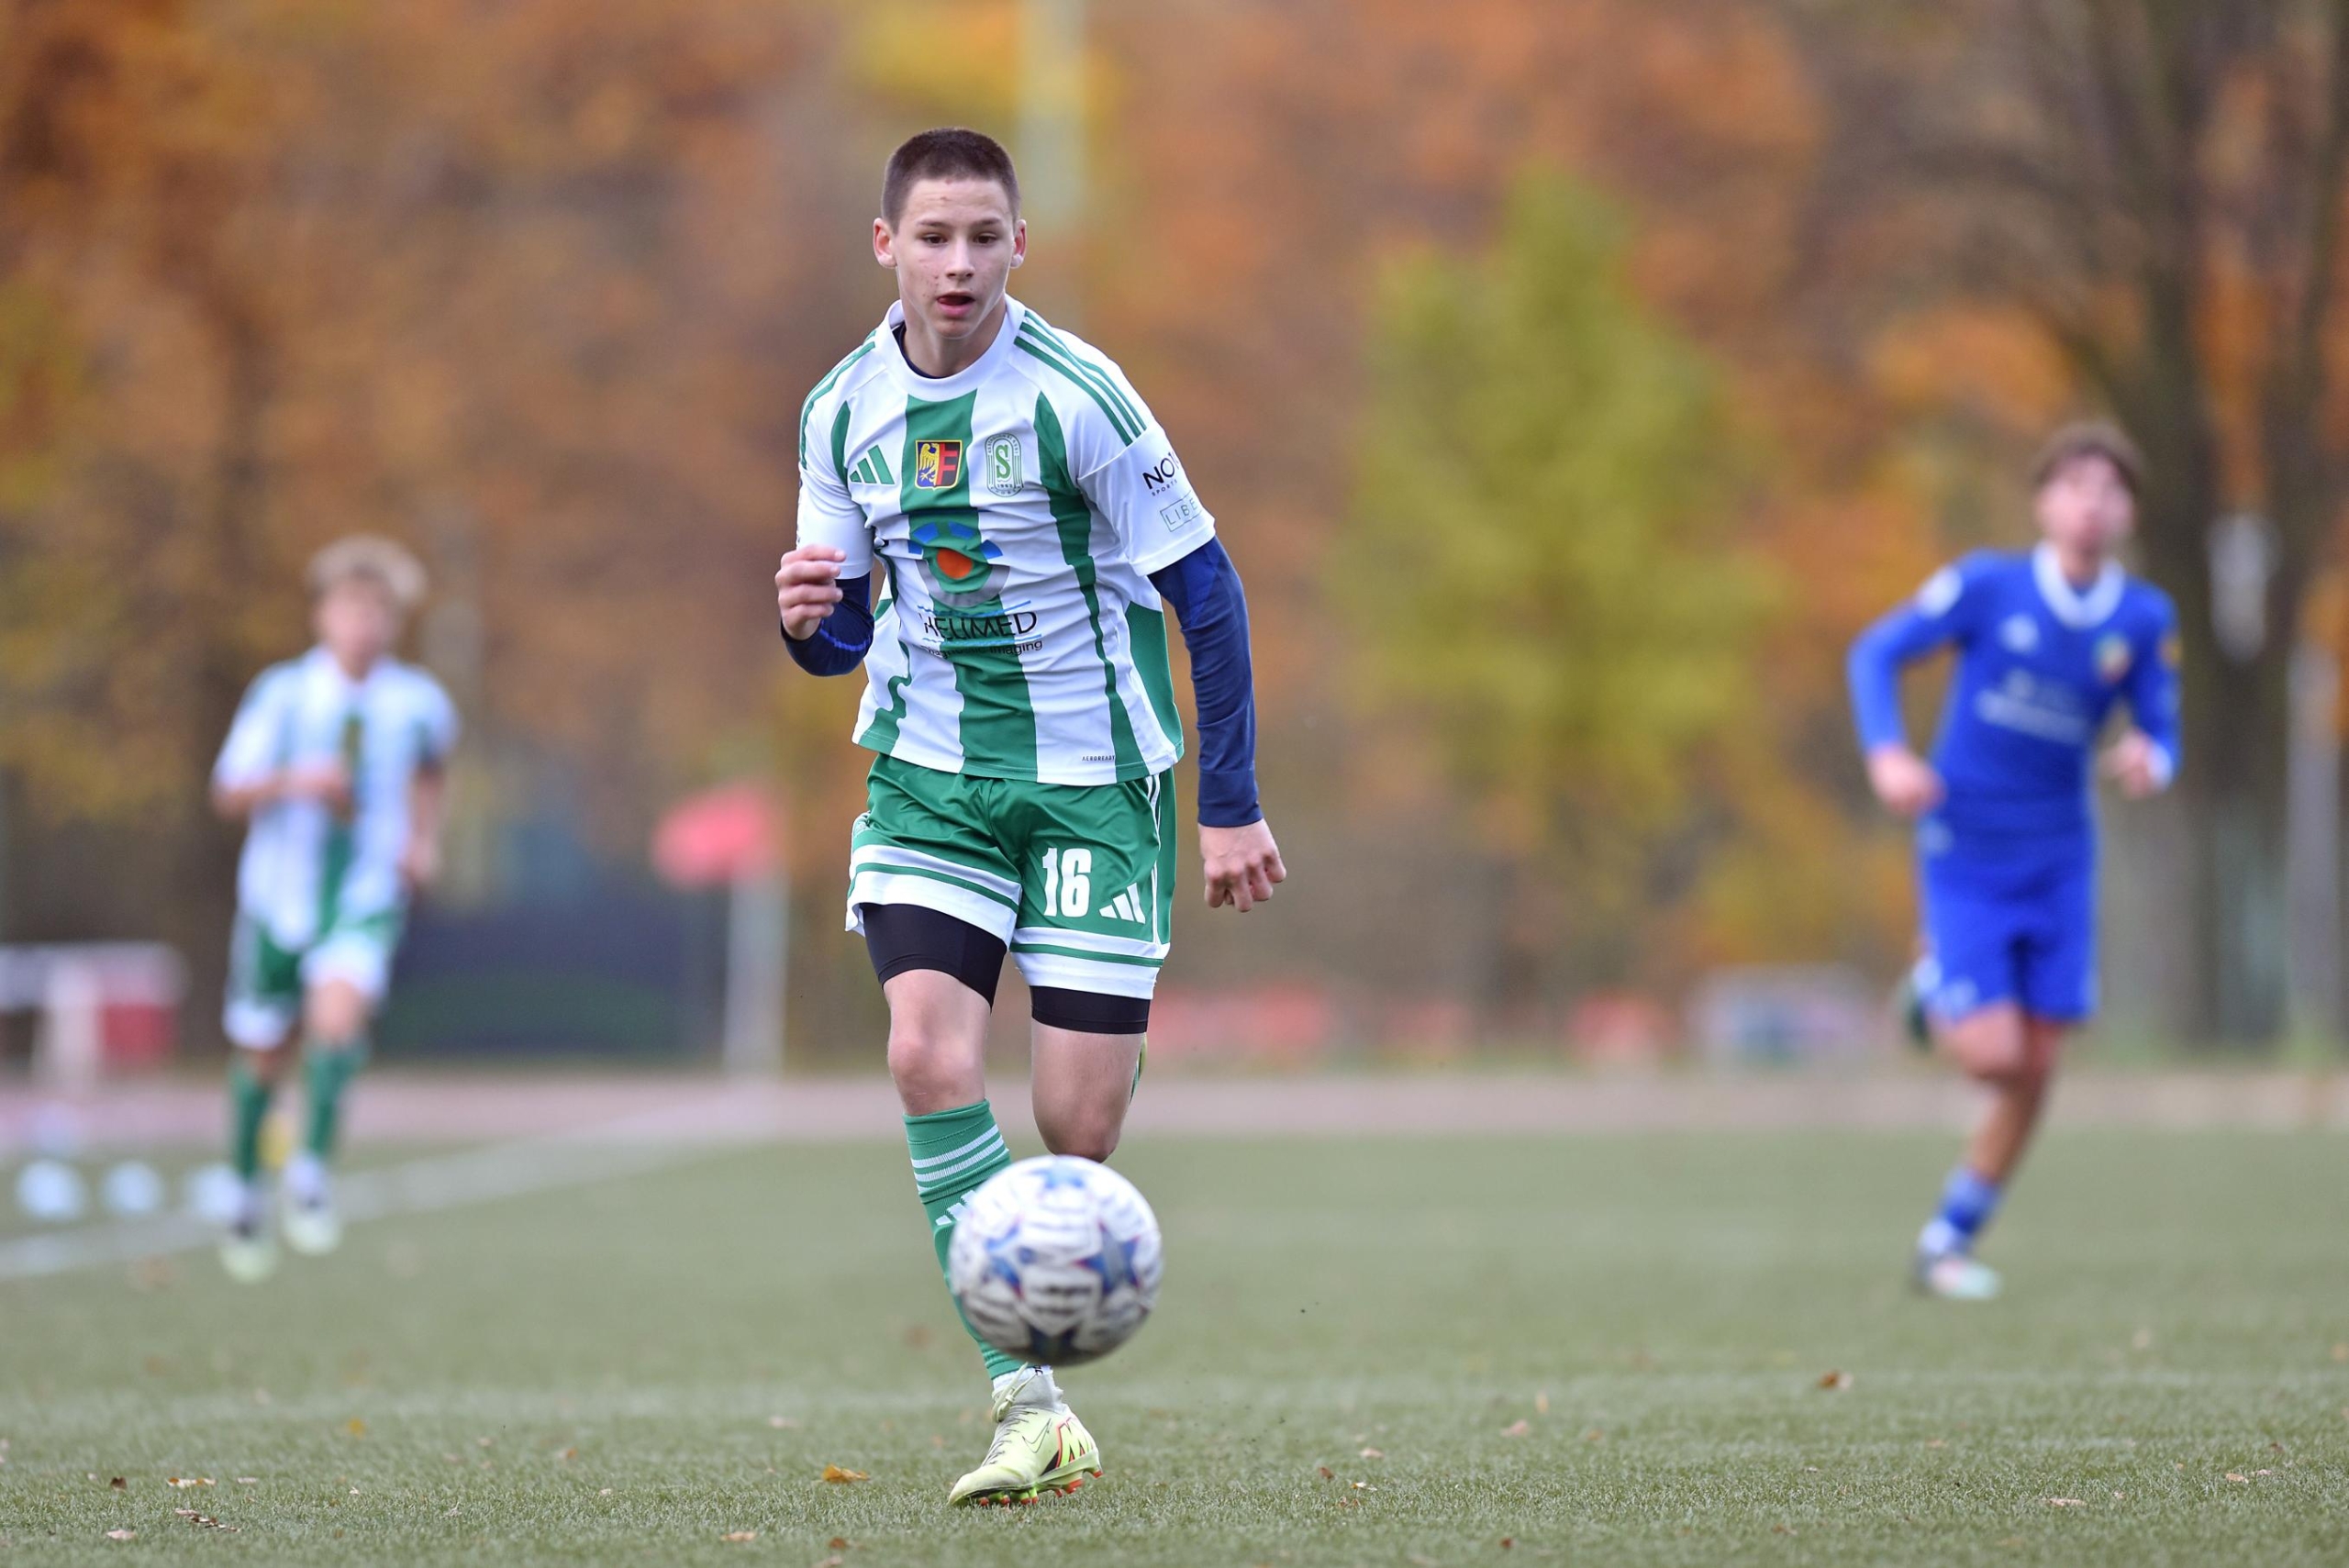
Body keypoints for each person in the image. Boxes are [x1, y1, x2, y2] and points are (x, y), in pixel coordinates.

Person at [775, 128, 1285, 1505]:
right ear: (886, 244)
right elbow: (844, 632)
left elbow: (1208, 594)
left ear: (1018, 246)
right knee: (925, 1054)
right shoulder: (839, 411)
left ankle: (1098, 1063)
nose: (957, 263)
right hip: (929, 775)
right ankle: (1027, 1400)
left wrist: (1227, 806)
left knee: (1076, 1124)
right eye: (932, 237)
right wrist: (810, 625)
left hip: (1093, 782)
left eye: (982, 237)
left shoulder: (1080, 398)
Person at [1847, 422, 2179, 1301]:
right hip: (1967, 843)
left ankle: (1947, 1238)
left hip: (2061, 855)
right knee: (1994, 1058)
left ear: (2128, 512)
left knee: (2038, 1066)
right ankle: (1934, 981)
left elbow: (2161, 724)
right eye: (2075, 485)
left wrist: (2152, 757)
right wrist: (1888, 753)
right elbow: (1874, 652)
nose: (2091, 504)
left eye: (2110, 489)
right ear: (2042, 502)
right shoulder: (1988, 586)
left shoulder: (2142, 618)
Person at [210, 536, 458, 1281]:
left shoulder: (417, 701)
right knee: (264, 1052)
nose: (363, 624)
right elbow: (229, 790)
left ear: (395, 621)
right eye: (351, 607)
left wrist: (424, 841)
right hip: (278, 900)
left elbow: (431, 773)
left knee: (338, 1021)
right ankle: (243, 1183)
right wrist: (297, 780)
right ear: (322, 614)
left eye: (378, 610)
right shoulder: (282, 695)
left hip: (362, 895)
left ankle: (310, 1169)